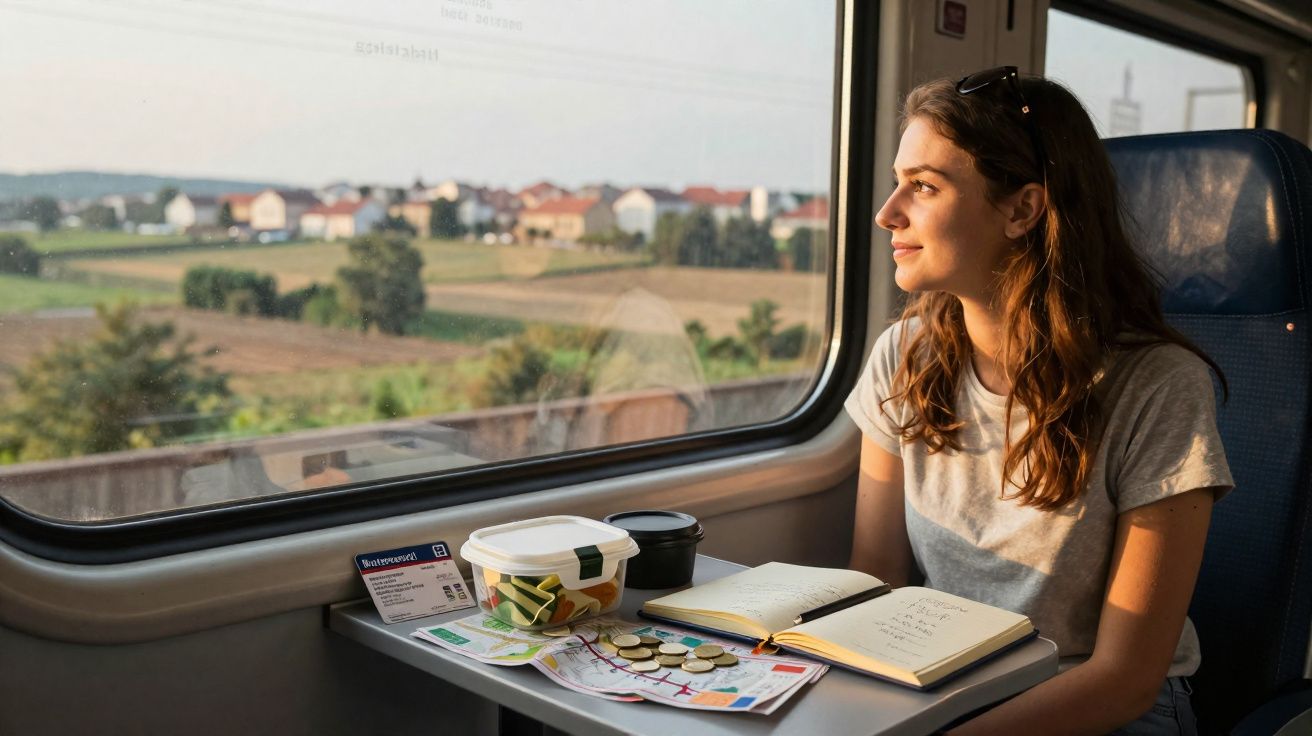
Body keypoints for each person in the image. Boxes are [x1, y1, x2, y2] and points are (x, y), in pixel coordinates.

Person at [845, 67, 1233, 735]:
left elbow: (1125, 680)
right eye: (896, 181)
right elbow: (877, 581)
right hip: (946, 687)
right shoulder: (903, 358)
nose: (888, 213)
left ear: (1022, 209)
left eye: (924, 187)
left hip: (1098, 707)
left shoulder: (1159, 386)